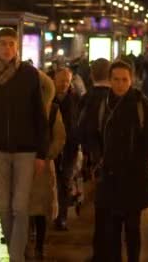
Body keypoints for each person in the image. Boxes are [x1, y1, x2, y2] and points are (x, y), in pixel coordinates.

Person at [0, 28, 48, 262]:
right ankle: (14, 250)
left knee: (19, 206)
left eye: (11, 44)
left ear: (17, 47)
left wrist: (41, 153)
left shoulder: (28, 73)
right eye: (3, 44)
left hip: (26, 149)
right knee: (4, 207)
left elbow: (39, 114)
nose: (7, 48)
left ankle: (16, 257)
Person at [89, 61, 148, 262]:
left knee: (133, 227)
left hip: (133, 175)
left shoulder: (140, 103)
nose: (120, 84)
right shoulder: (103, 104)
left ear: (131, 80)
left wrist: (139, 159)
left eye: (124, 80)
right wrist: (98, 158)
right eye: (116, 79)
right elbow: (93, 134)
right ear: (110, 80)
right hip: (109, 175)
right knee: (112, 228)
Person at [28, 70, 66, 259]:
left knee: (40, 208)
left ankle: (39, 244)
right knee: (24, 208)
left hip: (41, 165)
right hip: (23, 163)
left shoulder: (52, 109)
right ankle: (27, 243)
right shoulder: (21, 108)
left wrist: (47, 155)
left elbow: (59, 137)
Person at [52, 67, 81, 231]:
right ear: (54, 80)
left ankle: (61, 217)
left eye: (67, 81)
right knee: (51, 181)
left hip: (70, 147)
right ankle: (51, 214)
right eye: (61, 80)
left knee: (65, 181)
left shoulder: (75, 98)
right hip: (52, 146)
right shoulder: (48, 97)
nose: (64, 84)